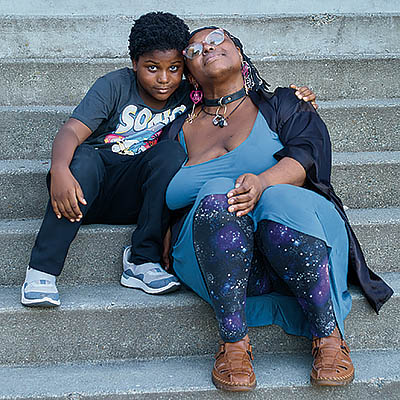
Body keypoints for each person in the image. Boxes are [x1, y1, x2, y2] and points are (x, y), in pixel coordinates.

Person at [21, 12, 316, 307]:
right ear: (134, 63)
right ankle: (42, 270)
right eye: (152, 68)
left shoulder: (190, 95)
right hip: (84, 190)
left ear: (186, 71)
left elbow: (236, 88)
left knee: (169, 154)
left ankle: (141, 261)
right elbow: (72, 130)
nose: (164, 79)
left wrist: (295, 96)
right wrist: (59, 169)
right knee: (85, 157)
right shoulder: (115, 85)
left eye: (174, 68)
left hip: (138, 197)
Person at [164, 27, 394, 390]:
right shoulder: (176, 127)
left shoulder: (285, 104)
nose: (207, 47)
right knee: (216, 194)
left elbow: (307, 155)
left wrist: (263, 182)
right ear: (189, 72)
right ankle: (233, 342)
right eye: (194, 48)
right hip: (218, 252)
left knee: (278, 197)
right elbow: (140, 179)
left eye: (217, 39)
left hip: (296, 234)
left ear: (239, 53)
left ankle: (328, 336)